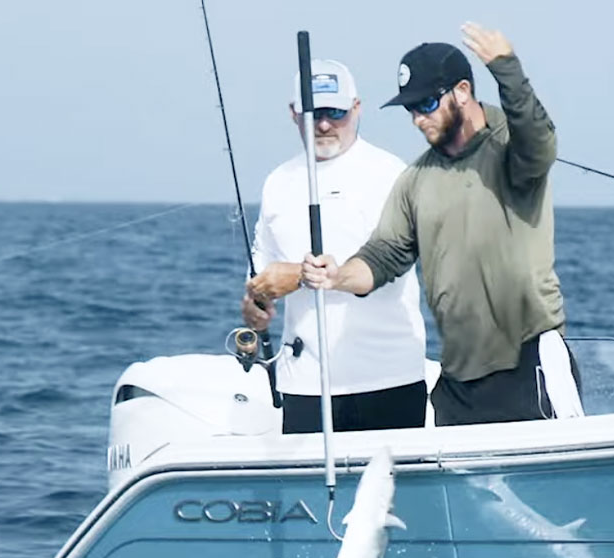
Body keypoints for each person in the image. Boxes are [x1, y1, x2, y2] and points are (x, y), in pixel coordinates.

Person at [300, 24, 582, 427]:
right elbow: (383, 255)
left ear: (462, 91)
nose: (418, 119)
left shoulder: (511, 150)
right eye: (411, 109)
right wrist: (338, 275)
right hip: (457, 385)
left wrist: (506, 68)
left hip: (530, 366)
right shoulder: (415, 180)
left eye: (428, 103)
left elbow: (539, 140)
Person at [241, 59, 428, 435]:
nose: (324, 124)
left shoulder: (392, 174)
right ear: (294, 114)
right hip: (305, 384)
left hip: (389, 379)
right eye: (313, 113)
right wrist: (255, 308)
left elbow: (392, 266)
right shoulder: (278, 183)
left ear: (356, 109)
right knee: (308, 495)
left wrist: (307, 274)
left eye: (336, 112)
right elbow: (261, 278)